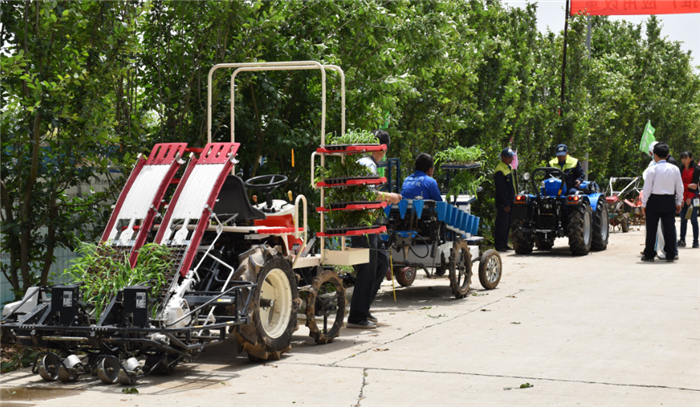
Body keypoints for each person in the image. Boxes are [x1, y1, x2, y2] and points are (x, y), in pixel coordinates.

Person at [348, 129, 401, 329]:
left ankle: (363, 309)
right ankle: (356, 316)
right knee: (368, 266)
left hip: (370, 222)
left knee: (380, 263)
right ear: (383, 148)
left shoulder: (366, 163)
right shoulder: (367, 165)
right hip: (363, 222)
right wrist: (390, 197)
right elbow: (369, 195)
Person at [641, 143, 684, 262]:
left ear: (655, 155)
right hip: (669, 200)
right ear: (668, 154)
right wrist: (679, 201)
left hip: (654, 201)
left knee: (651, 229)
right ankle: (670, 254)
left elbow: (647, 189)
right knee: (669, 228)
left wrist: (644, 204)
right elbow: (679, 187)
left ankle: (649, 254)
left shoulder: (652, 170)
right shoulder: (674, 169)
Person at [494, 147, 515, 252]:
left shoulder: (508, 167)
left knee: (508, 224)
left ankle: (505, 242)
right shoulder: (499, 170)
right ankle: (499, 244)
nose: (511, 159)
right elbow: (501, 189)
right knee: (501, 224)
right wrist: (505, 203)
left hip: (510, 200)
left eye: (512, 157)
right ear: (503, 157)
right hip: (503, 202)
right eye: (509, 157)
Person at [678, 151, 699, 248]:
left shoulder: (696, 170)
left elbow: (695, 186)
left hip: (693, 197)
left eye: (686, 158)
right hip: (682, 198)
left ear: (691, 158)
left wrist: (689, 197)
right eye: (682, 158)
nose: (684, 160)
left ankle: (695, 241)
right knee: (683, 220)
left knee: (694, 220)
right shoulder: (680, 170)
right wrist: (687, 186)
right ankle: (682, 240)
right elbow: (679, 185)